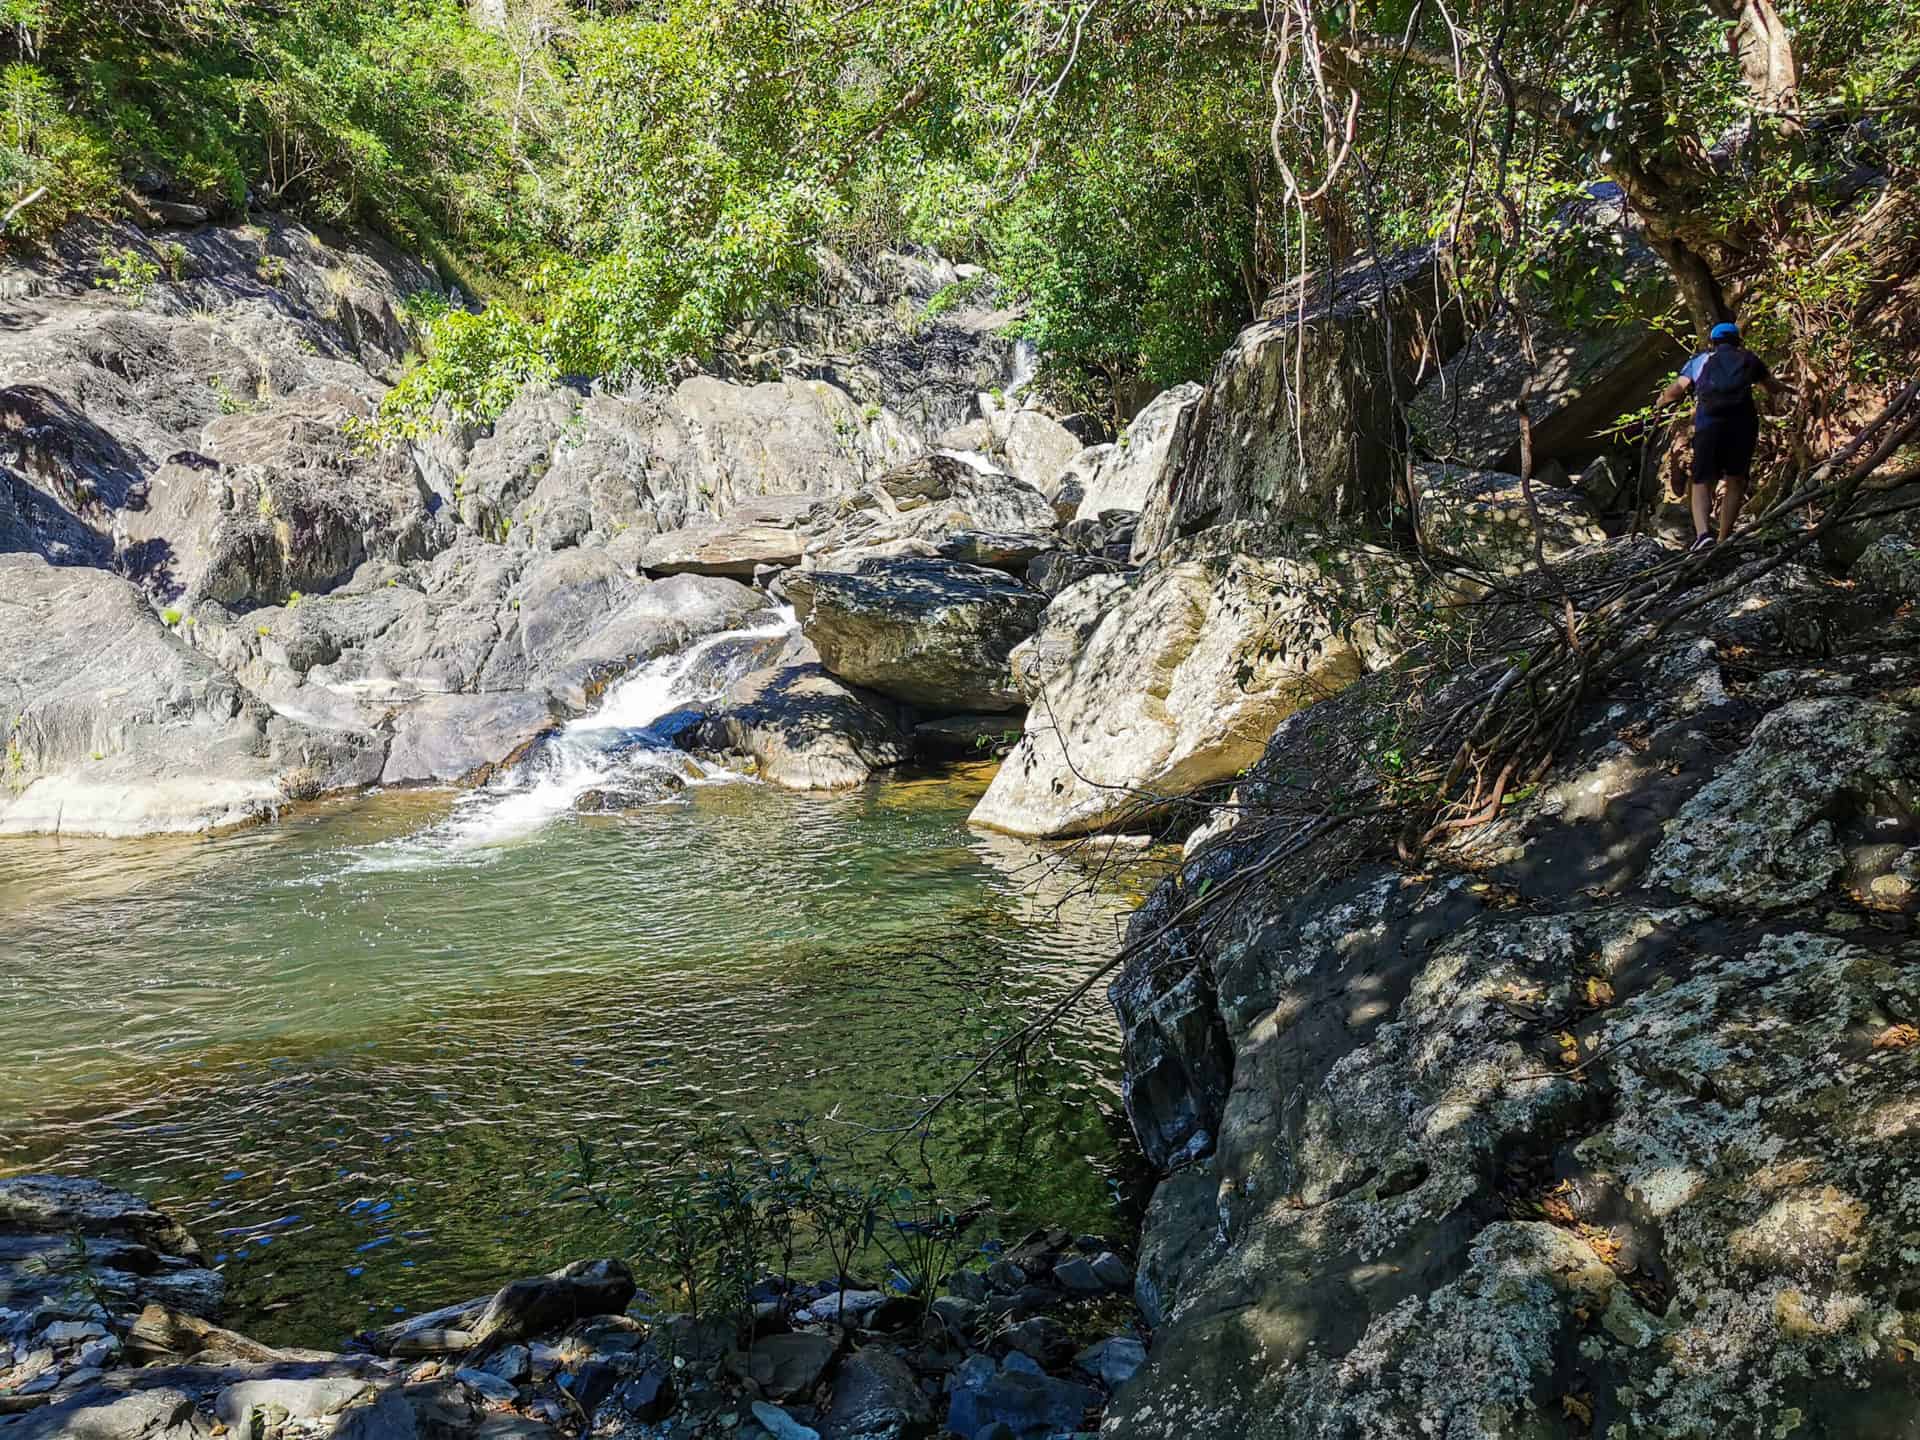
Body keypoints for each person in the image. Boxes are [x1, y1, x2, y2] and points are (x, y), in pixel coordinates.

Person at [1658, 321, 1789, 552]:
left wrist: (1660, 402)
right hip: (1742, 426)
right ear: (1738, 340)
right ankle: (1724, 537)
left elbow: (1676, 389)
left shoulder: (1700, 360)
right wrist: (1790, 389)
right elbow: (1771, 387)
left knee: (1701, 481)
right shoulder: (1748, 359)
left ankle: (1703, 536)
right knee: (1735, 479)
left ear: (1713, 342)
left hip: (1710, 426)